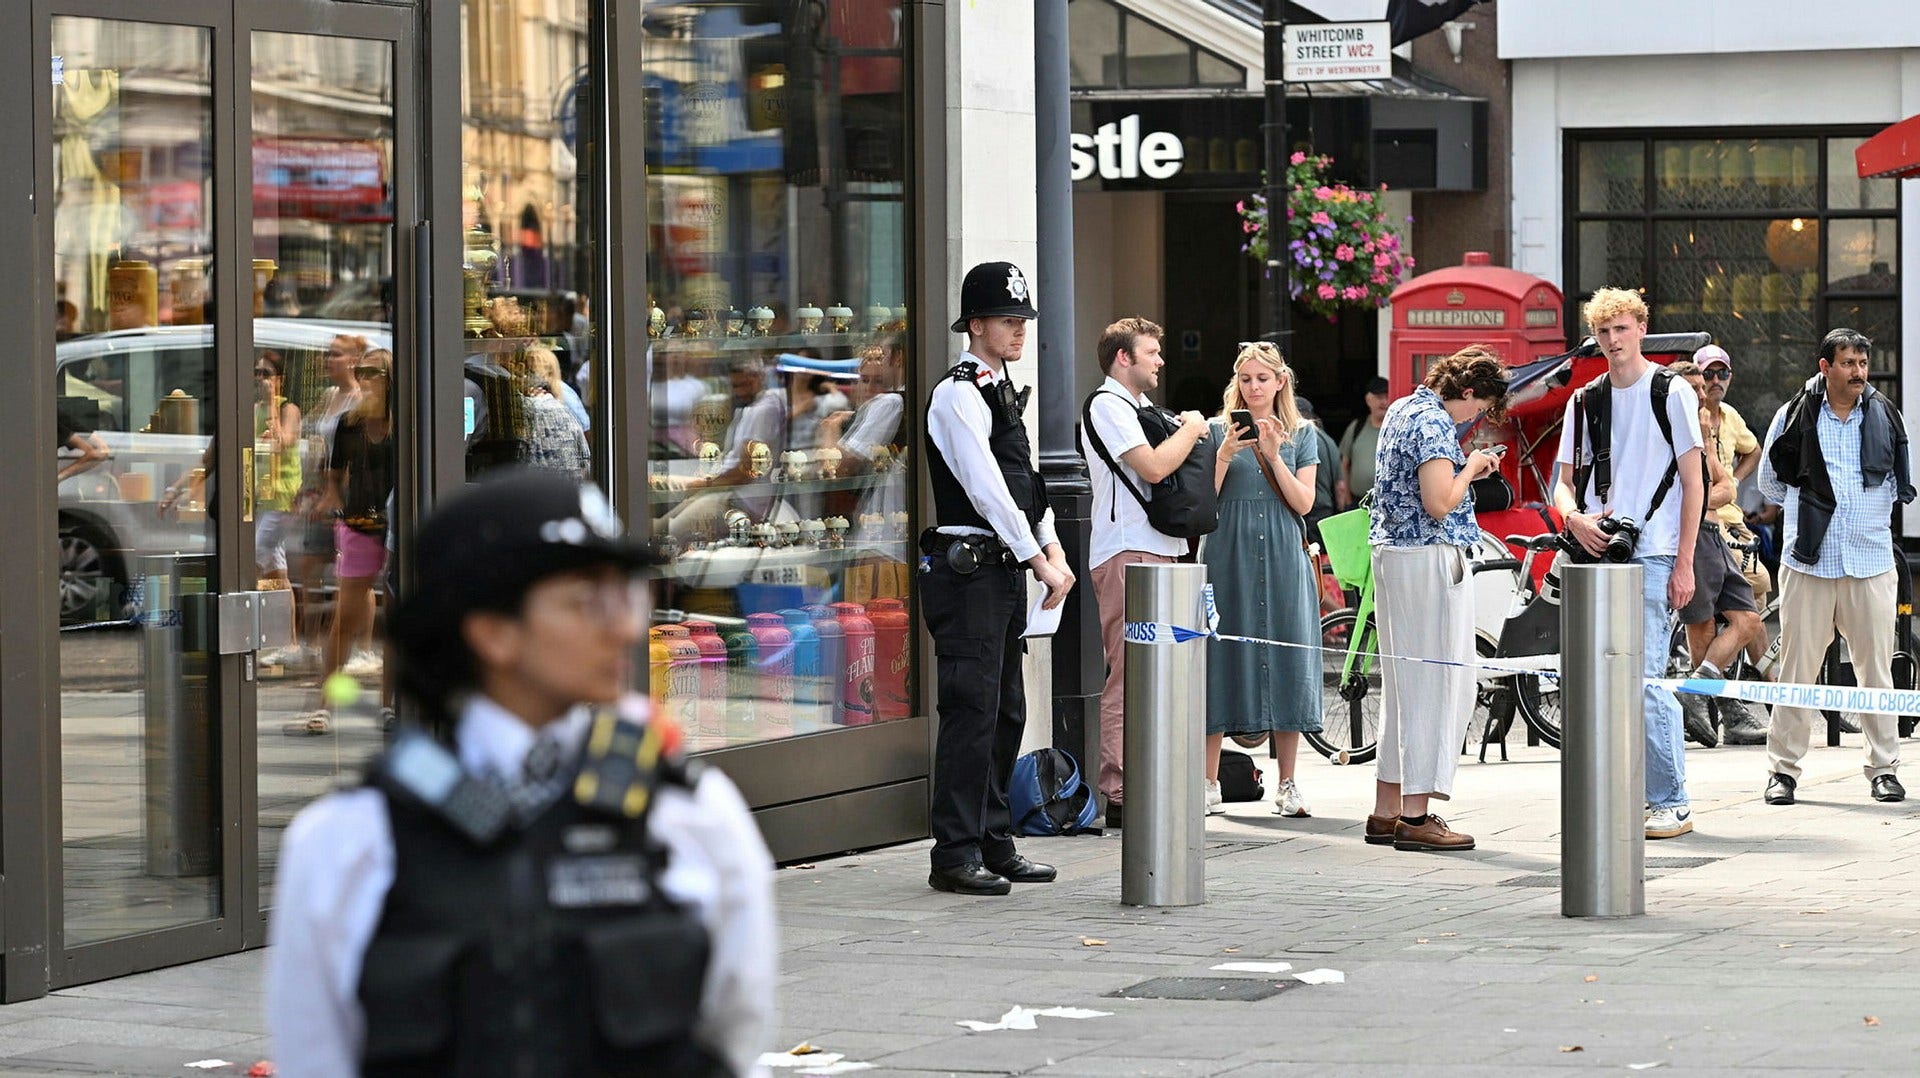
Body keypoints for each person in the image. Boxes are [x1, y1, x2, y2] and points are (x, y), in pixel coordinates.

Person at [266, 469, 775, 1076]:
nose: (622, 627)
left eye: (626, 595)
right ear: (493, 632)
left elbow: (735, 1038)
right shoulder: (347, 843)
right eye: (586, 600)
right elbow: (317, 1058)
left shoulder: (691, 815)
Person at [921, 260, 1072, 896]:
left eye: (1023, 322)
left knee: (1005, 710)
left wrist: (1051, 547)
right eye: (1009, 322)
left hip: (1002, 567)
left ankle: (993, 838)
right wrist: (1036, 555)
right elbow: (985, 490)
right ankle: (953, 853)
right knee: (970, 711)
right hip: (969, 570)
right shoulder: (958, 393)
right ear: (975, 325)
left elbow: (1024, 483)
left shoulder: (1000, 388)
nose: (1019, 333)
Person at [1553, 288, 1705, 841]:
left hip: (1658, 548)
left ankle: (1670, 800)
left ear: (1641, 329)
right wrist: (1575, 521)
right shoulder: (1584, 400)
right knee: (1601, 679)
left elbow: (1695, 482)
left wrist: (1684, 563)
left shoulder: (1670, 391)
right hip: (1597, 548)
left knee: (1645, 681)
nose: (1613, 341)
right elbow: (1563, 484)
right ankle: (1625, 795)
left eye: (1621, 329)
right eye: (1603, 332)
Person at [1757, 328, 1914, 806]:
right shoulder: (1793, 414)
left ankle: (1884, 769)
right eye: (1848, 363)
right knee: (1796, 671)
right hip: (1810, 562)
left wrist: (1861, 519)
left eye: (1863, 364)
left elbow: (1897, 481)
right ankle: (1782, 772)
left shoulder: (1885, 414)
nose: (1858, 373)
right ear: (1825, 367)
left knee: (1877, 672)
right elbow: (1770, 483)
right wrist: (1814, 514)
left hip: (1869, 560)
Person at [1365, 346, 1509, 851]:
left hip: (1393, 554)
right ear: (1467, 391)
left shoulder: (1404, 407)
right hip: (1428, 559)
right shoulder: (1432, 422)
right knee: (1438, 682)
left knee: (1405, 688)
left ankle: (1386, 811)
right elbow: (1438, 500)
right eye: (1481, 406)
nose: (1478, 417)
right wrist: (1470, 468)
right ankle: (1417, 815)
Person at [1079, 317, 1207, 829]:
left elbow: (1177, 481)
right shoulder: (1107, 405)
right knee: (1130, 673)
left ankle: (1152, 778)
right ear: (1122, 358)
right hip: (1128, 551)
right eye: (1151, 352)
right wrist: (1193, 430)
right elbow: (1153, 468)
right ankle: (1119, 788)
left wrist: (1216, 448)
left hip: (1162, 548)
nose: (1160, 361)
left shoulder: (1144, 409)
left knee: (1163, 670)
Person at [1203, 341, 1322, 819]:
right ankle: (1209, 782)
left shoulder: (1302, 434)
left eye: (1263, 379)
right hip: (1226, 549)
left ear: (1280, 382)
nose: (1254, 387)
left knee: (1287, 653)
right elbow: (1201, 503)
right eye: (1247, 378)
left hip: (1280, 550)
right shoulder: (1215, 431)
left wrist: (1274, 456)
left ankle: (1288, 782)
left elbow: (1304, 503)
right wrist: (1224, 455)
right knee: (1219, 654)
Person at [301, 349, 397, 735]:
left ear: (390, 378)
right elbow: (336, 479)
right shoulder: (349, 424)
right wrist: (330, 504)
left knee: (396, 620)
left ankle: (388, 704)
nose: (364, 378)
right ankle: (327, 704)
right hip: (359, 524)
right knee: (344, 616)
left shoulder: (403, 420)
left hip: (396, 524)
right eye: (361, 371)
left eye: (373, 372)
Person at [1683, 346, 1769, 745]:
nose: (1708, 390)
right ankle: (1731, 707)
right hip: (1697, 536)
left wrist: (1717, 488)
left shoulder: (1713, 425)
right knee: (1701, 624)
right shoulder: (1678, 433)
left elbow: (1727, 485)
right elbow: (1698, 492)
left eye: (1717, 378)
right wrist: (1707, 495)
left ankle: (1703, 691)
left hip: (1721, 533)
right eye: (1700, 383)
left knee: (1750, 618)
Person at [252, 352, 307, 665]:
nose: (261, 379)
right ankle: (290, 644)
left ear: (279, 379)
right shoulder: (253, 410)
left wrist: (273, 402)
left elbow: (283, 442)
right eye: (257, 374)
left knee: (250, 563)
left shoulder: (288, 409)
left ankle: (250, 636)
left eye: (267, 373)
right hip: (261, 499)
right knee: (277, 572)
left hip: (283, 500)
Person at [1337, 376, 1390, 508]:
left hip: (1387, 504)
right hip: (1358, 503)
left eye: (1387, 396)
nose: (1384, 402)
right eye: (1379, 397)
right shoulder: (1356, 427)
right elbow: (1344, 464)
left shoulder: (1396, 430)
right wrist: (1348, 500)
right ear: (1368, 399)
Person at [1295, 396, 1342, 541]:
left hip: (1308, 510)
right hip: (1326, 510)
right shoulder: (1329, 441)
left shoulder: (1300, 441)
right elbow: (1340, 486)